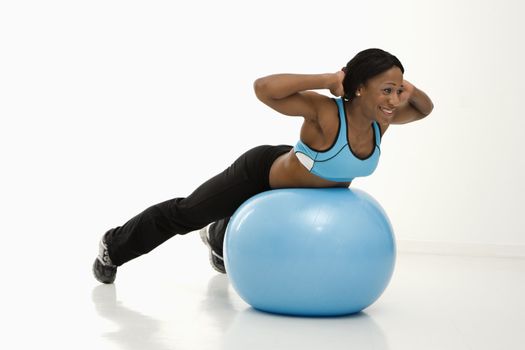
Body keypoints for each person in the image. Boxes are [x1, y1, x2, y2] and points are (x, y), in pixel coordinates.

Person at [93, 48, 434, 283]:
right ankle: (114, 247)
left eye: (398, 90)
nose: (394, 100)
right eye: (387, 90)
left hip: (296, 183)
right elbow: (264, 89)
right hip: (261, 174)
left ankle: (219, 234)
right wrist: (327, 78)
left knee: (216, 219)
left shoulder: (380, 121)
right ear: (359, 88)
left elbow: (424, 108)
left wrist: (409, 88)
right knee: (187, 214)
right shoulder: (327, 112)